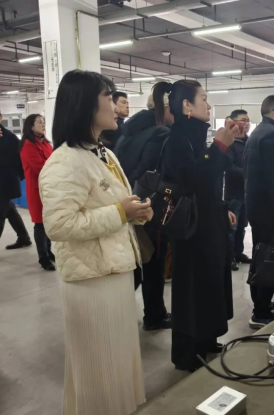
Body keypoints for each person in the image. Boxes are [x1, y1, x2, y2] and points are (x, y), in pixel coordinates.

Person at [39, 70, 152, 415]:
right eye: (108, 97)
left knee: (115, 361)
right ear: (85, 104)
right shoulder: (65, 161)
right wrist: (120, 212)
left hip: (114, 270)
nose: (117, 105)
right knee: (98, 367)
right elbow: (59, 225)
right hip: (91, 280)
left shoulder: (102, 152)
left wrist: (134, 212)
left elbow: (111, 204)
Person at [162, 80, 238, 372]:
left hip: (209, 222)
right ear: (187, 106)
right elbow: (193, 180)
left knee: (210, 282)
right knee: (192, 287)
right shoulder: (177, 139)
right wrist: (219, 146)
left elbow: (211, 179)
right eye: (203, 99)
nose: (208, 105)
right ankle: (188, 352)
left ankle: (207, 337)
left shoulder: (196, 137)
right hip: (191, 229)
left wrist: (222, 207)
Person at [115, 82, 174, 331]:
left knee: (140, 260)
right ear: (166, 108)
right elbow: (148, 171)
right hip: (150, 206)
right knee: (154, 262)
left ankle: (117, 310)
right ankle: (154, 315)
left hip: (129, 201)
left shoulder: (129, 130)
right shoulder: (160, 133)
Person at [244, 95, 274, 329]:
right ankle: (260, 312)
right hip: (268, 211)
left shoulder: (258, 132)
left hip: (256, 207)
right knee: (268, 259)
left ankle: (261, 303)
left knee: (260, 255)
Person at [20, 114, 55, 271]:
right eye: (39, 122)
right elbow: (41, 167)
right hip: (37, 190)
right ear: (31, 126)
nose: (43, 124)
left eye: (43, 122)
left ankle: (48, 250)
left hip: (49, 188)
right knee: (40, 223)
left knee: (48, 221)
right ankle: (43, 257)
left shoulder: (46, 143)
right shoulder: (28, 145)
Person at [224, 109, 252, 272]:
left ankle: (238, 253)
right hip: (233, 193)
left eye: (248, 120)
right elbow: (228, 166)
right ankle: (229, 258)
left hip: (246, 192)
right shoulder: (230, 142)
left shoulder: (249, 141)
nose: (246, 123)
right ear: (233, 122)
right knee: (231, 228)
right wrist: (248, 173)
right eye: (243, 120)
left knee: (242, 226)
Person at [0, 117, 32, 250]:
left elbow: (20, 159)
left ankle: (24, 237)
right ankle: (24, 237)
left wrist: (18, 176)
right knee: (10, 210)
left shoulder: (10, 138)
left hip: (6, 183)